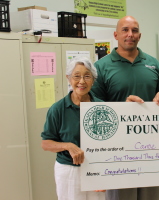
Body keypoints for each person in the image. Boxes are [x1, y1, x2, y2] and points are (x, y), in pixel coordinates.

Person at [91, 16, 159, 200]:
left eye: (134, 30)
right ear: (116, 35)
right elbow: (94, 107)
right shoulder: (101, 67)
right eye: (125, 30)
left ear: (140, 35)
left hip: (151, 145)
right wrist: (122, 109)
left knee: (150, 195)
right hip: (117, 147)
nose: (130, 34)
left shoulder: (154, 64)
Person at [41, 57, 106, 200]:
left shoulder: (102, 107)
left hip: (96, 168)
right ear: (68, 78)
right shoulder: (58, 109)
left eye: (87, 76)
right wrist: (68, 146)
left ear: (93, 80)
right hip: (69, 171)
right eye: (77, 76)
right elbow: (46, 143)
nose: (82, 81)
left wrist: (105, 174)